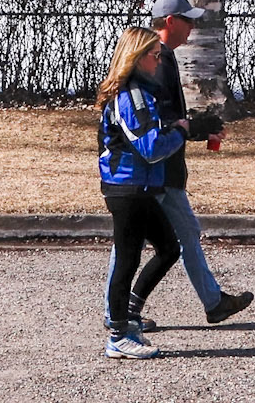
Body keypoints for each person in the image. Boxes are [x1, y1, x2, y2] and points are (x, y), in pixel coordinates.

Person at [131, 0, 254, 333]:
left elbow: (169, 116)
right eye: (188, 21)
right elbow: (158, 118)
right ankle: (123, 311)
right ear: (170, 22)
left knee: (184, 233)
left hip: (165, 168)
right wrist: (195, 127)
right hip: (154, 169)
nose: (192, 28)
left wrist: (198, 126)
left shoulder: (159, 55)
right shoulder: (156, 58)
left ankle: (213, 303)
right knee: (135, 241)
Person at [97, 24, 185, 360]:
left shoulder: (142, 92)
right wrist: (180, 133)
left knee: (167, 248)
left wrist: (177, 129)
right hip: (126, 187)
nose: (158, 61)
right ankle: (119, 333)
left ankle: (128, 320)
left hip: (139, 186)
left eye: (160, 55)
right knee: (129, 258)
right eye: (153, 55)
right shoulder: (132, 95)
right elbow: (149, 148)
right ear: (137, 58)